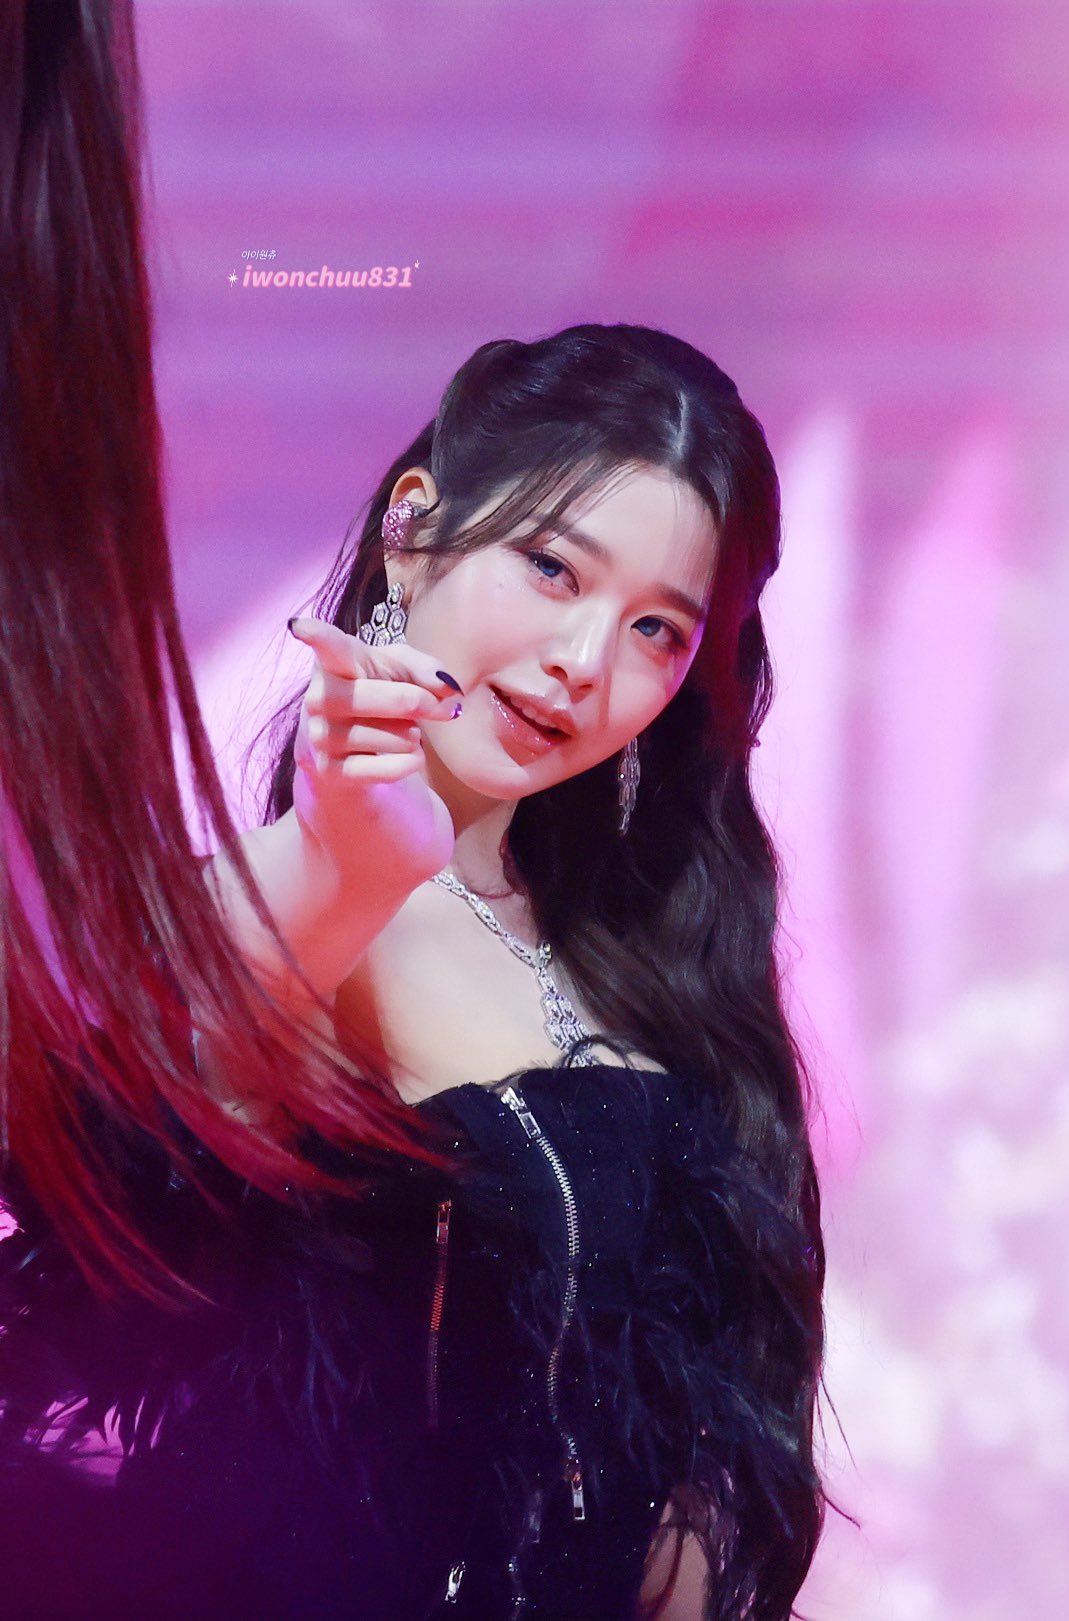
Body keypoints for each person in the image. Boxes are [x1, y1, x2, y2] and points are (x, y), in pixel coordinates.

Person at [0, 5, 828, 1618]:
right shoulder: (290, 885)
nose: (586, 662)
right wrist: (352, 863)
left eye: (659, 629)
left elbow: (692, 1453)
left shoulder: (648, 966)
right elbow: (119, 1194)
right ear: (415, 527)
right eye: (553, 568)